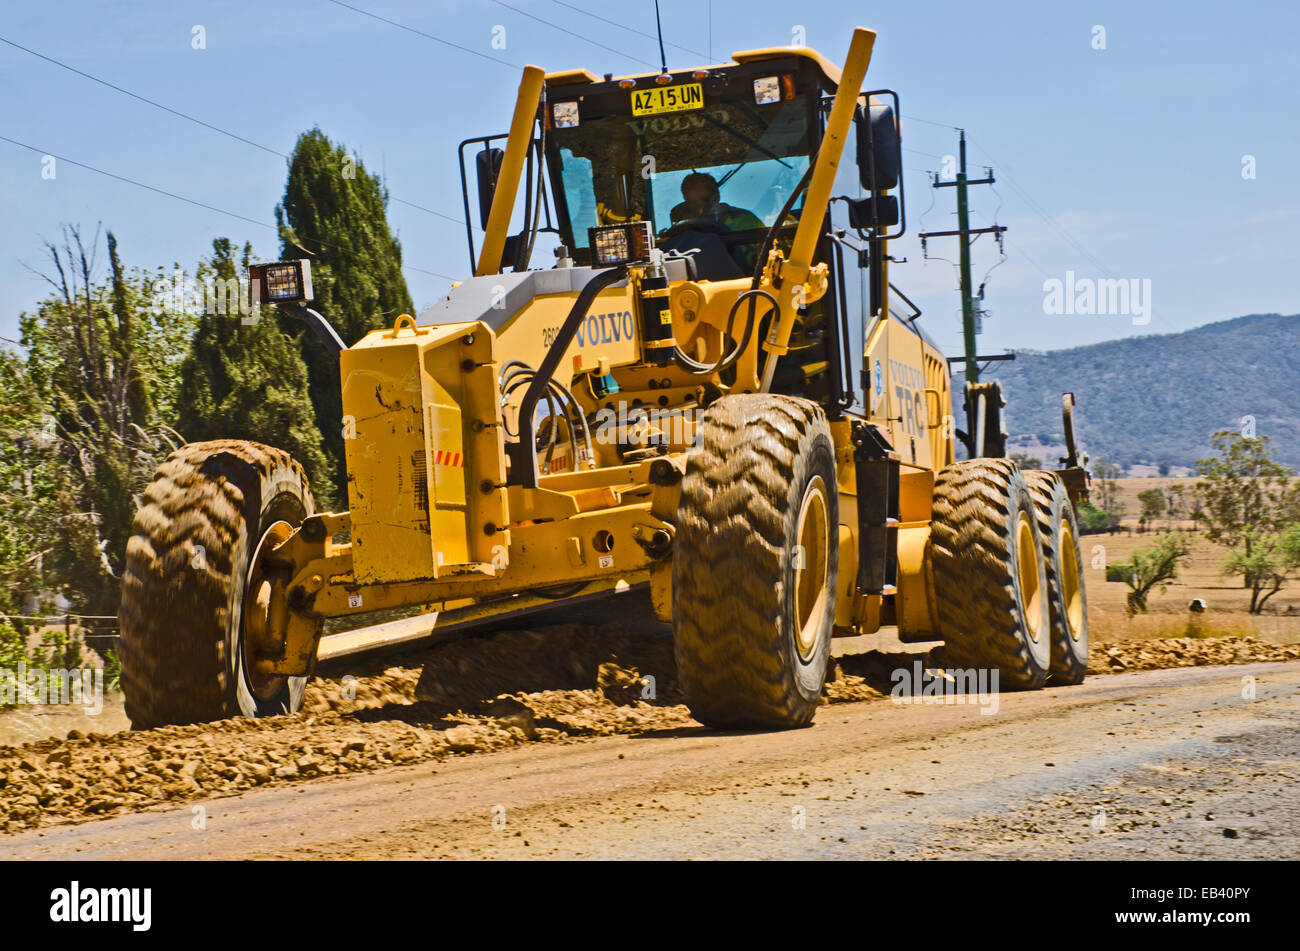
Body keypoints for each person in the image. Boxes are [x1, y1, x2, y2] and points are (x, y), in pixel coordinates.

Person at [669, 172, 764, 233]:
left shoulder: (746, 219)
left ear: (716, 197)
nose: (699, 208)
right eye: (692, 203)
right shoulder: (681, 229)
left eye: (703, 200)